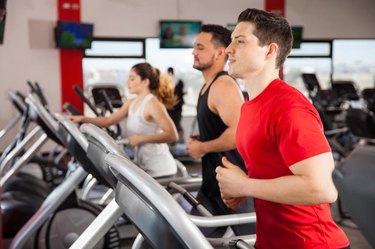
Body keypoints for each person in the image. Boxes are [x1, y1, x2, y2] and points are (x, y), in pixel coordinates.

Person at [215, 8, 350, 249]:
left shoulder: (289, 107)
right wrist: (242, 187)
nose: (228, 49)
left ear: (270, 50)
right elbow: (275, 173)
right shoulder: (250, 106)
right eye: (231, 41)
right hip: (271, 240)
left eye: (240, 41)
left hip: (311, 244)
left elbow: (322, 188)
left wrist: (244, 185)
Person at [188, 24, 255, 236]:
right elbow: (225, 126)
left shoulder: (223, 85)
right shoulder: (208, 86)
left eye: (200, 47)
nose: (194, 52)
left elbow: (238, 133)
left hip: (233, 185)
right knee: (190, 238)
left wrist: (203, 147)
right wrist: (205, 136)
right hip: (214, 184)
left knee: (255, 241)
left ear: (219, 53)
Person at [70, 62, 178, 178]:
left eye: (132, 79)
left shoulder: (153, 104)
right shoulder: (132, 103)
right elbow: (108, 120)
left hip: (161, 169)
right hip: (145, 167)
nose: (127, 82)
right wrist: (82, 118)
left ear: (145, 82)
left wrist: (141, 138)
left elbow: (172, 135)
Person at [166, 67, 185, 143]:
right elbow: (184, 92)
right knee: (177, 123)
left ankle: (173, 141)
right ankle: (179, 141)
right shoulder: (180, 81)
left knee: (171, 124)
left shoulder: (167, 82)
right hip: (178, 107)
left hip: (170, 107)